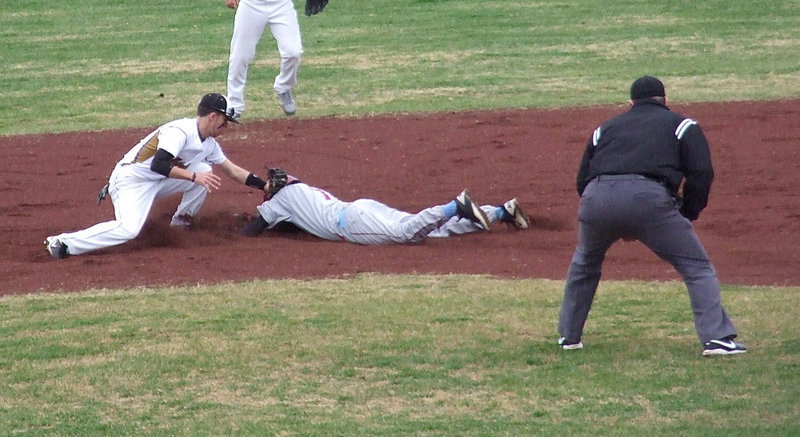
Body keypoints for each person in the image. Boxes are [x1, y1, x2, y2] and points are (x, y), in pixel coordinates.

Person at [557, 76, 747, 356]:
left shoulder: (604, 128)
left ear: (630, 103)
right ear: (665, 101)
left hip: (596, 197)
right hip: (649, 199)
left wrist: (606, 211)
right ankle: (717, 339)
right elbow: (701, 173)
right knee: (696, 267)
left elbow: (582, 180)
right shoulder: (683, 125)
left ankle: (568, 337)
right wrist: (687, 212)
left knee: (585, 262)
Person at [44, 94, 272, 259]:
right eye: (225, 121)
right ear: (213, 116)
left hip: (157, 181)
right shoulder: (180, 131)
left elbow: (233, 170)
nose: (227, 127)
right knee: (128, 229)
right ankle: (64, 242)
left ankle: (182, 224)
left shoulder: (209, 144)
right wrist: (192, 177)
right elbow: (159, 164)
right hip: (131, 182)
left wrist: (265, 186)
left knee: (205, 172)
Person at [239, 171, 530, 244]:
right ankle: (501, 212)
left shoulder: (278, 203)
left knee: (407, 234)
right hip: (362, 208)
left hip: (353, 225)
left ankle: (455, 206)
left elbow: (253, 230)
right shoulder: (301, 188)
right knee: (426, 230)